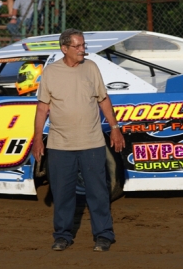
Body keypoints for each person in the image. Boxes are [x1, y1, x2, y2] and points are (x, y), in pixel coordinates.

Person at [32, 29, 125, 252]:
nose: (83, 50)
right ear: (64, 49)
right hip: (60, 145)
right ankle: (62, 236)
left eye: (83, 45)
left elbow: (103, 99)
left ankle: (104, 235)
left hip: (91, 143)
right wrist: (37, 138)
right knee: (62, 194)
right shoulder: (51, 72)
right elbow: (42, 107)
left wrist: (115, 129)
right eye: (78, 46)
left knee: (98, 192)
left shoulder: (91, 67)